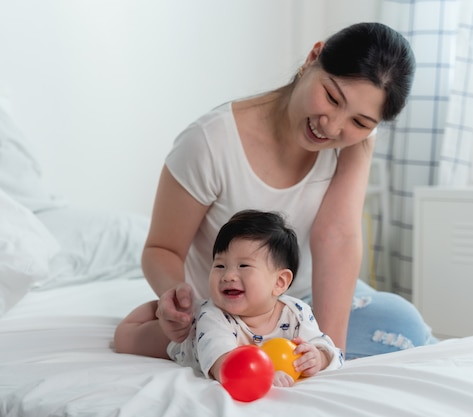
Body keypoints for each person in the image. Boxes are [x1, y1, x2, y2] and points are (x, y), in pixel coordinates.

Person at [129, 22, 436, 360]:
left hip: (300, 306)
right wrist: (178, 299)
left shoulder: (356, 140)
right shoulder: (209, 142)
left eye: (360, 122)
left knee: (405, 323)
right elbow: (162, 248)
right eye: (332, 97)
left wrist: (329, 354)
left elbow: (337, 236)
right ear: (313, 57)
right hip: (236, 313)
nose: (332, 126)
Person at [115, 210, 343, 387]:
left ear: (279, 282)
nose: (228, 275)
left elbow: (326, 346)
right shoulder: (212, 316)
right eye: (220, 265)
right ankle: (154, 309)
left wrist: (318, 358)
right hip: (186, 339)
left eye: (243, 265)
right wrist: (264, 374)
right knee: (125, 339)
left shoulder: (297, 312)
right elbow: (223, 364)